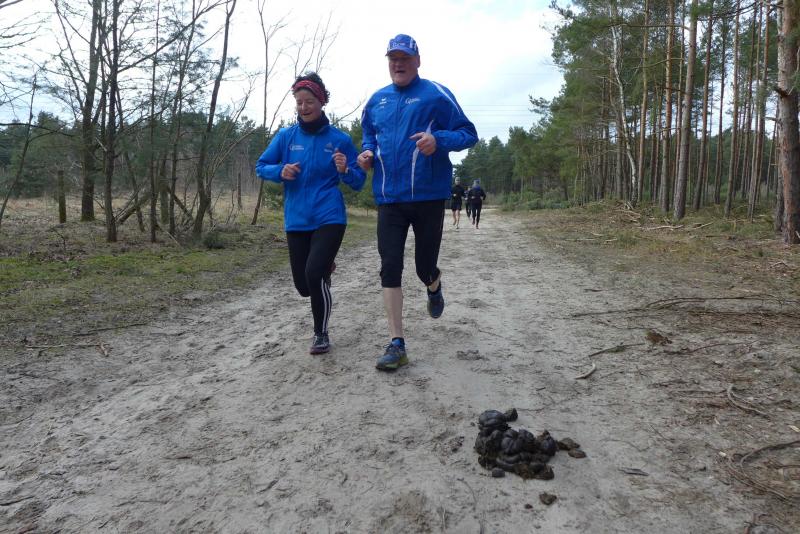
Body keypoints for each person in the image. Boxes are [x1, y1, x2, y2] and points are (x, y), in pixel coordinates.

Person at [358, 34, 478, 371]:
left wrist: (437, 139)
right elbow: (369, 137)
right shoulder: (376, 100)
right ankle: (396, 343)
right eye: (393, 59)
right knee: (390, 265)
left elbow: (469, 133)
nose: (398, 64)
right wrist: (366, 154)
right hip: (389, 198)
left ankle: (433, 284)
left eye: (404, 59)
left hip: (427, 196)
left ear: (417, 61)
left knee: (423, 267)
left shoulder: (435, 94)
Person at [255, 72, 366, 355]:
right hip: (297, 219)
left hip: (329, 216)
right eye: (299, 102)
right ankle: (324, 268)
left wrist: (345, 170)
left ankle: (321, 333)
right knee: (304, 286)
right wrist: (279, 171)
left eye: (309, 102)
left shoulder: (339, 139)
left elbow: (358, 181)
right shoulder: (286, 137)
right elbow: (261, 166)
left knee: (314, 274)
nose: (303, 107)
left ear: (322, 101)